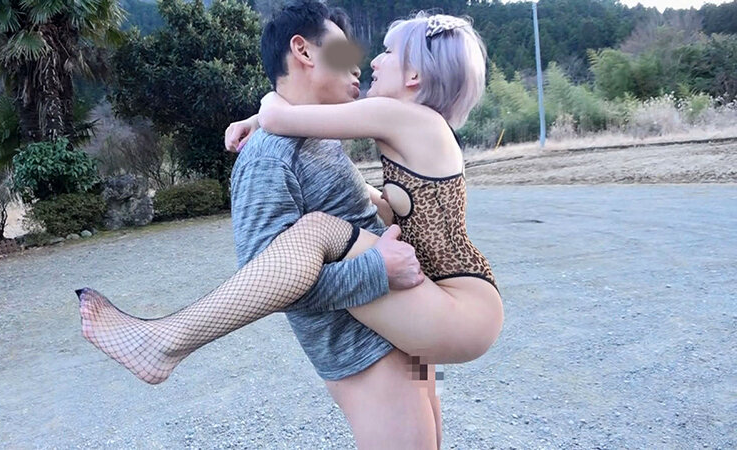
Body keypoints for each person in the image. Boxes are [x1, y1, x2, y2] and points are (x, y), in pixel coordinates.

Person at [77, 3, 502, 448]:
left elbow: (291, 124)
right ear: (303, 51)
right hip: (368, 354)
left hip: (415, 322)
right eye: (343, 51)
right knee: (318, 229)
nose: (364, 63)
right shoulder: (268, 156)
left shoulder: (332, 137)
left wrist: (261, 112)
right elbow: (268, 282)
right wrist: (376, 270)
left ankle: (167, 340)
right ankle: (165, 342)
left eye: (385, 53)